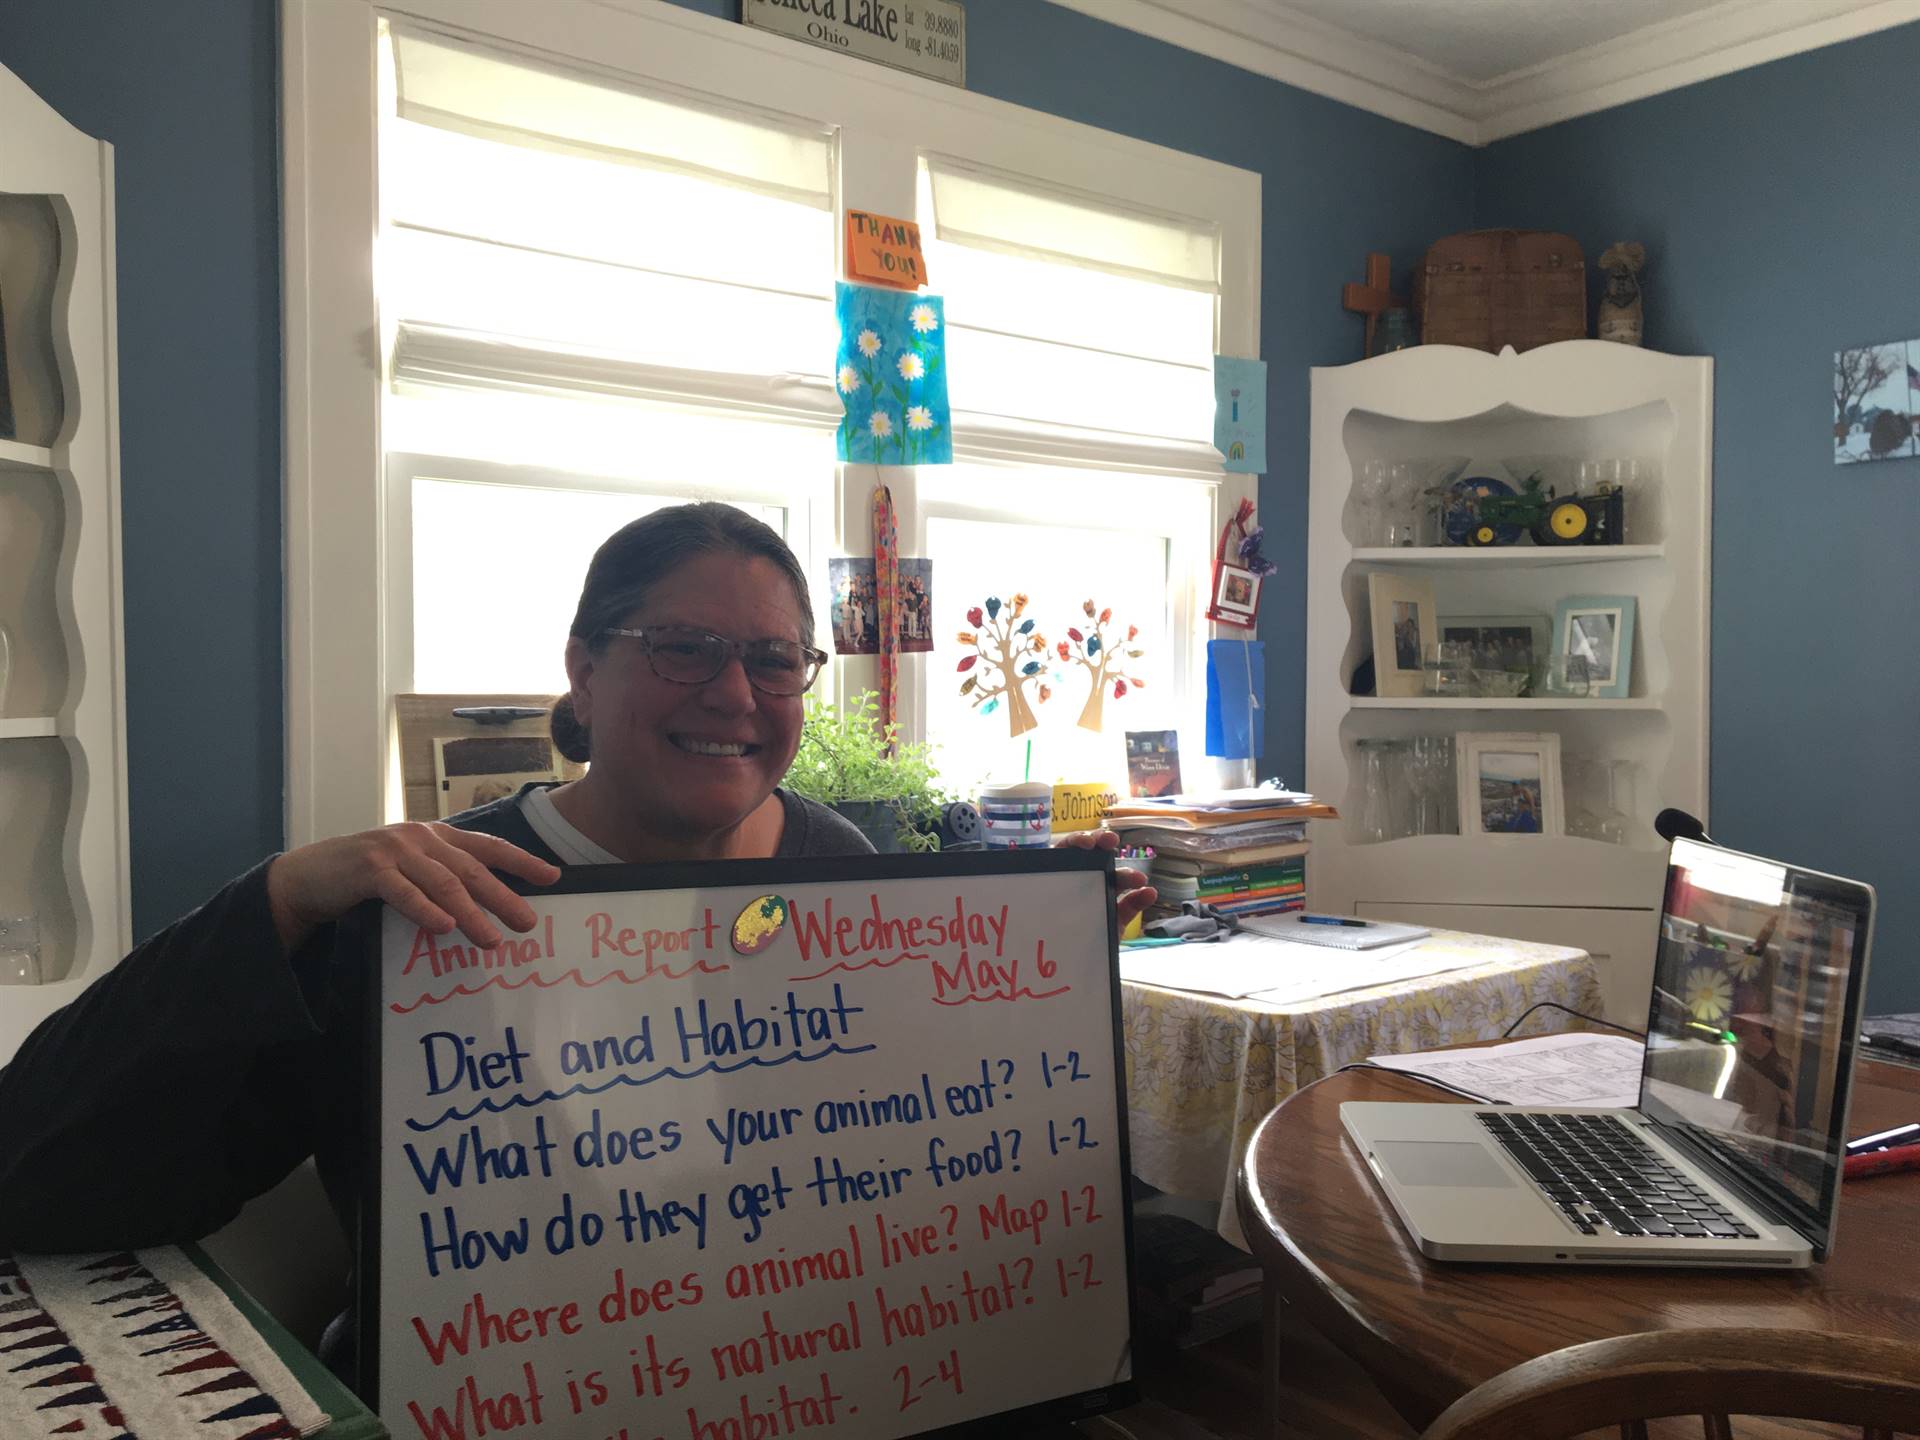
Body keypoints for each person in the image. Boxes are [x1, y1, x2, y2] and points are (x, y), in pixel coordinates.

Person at [0, 502, 1151, 1383]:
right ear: (583, 672)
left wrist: (1030, 1015)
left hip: (804, 1374)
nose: (734, 694)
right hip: (506, 1388)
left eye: (772, 659)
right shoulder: (421, 904)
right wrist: (282, 899)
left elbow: (909, 1161)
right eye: (685, 648)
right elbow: (42, 1179)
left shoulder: (840, 864)